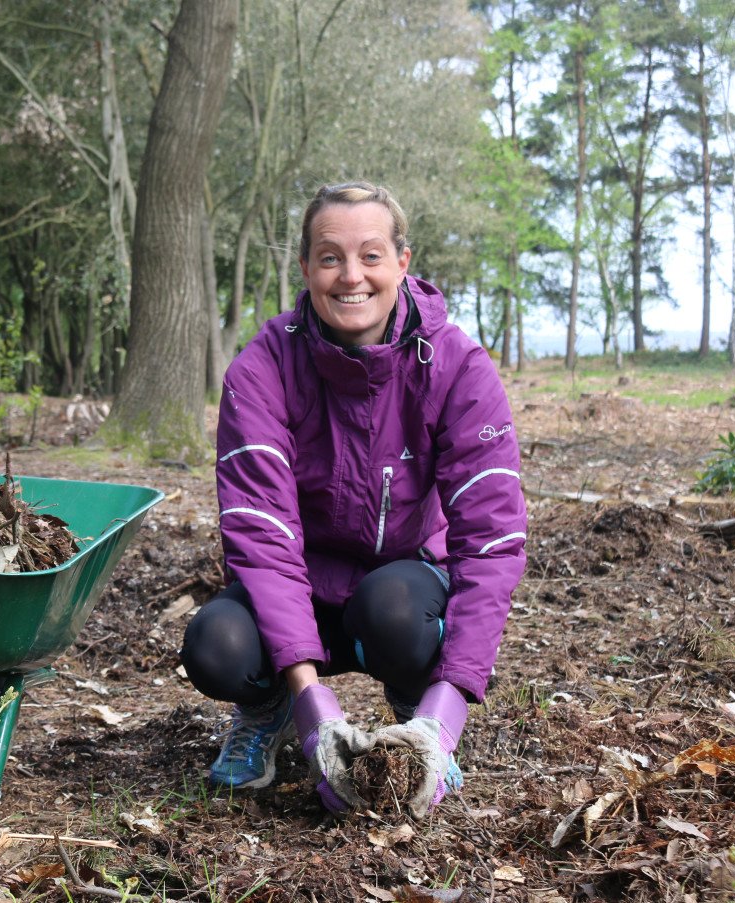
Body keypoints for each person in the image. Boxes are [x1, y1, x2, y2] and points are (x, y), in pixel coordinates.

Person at [180, 181, 527, 817]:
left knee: (396, 610)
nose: (351, 276)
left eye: (371, 255)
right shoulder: (261, 369)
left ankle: (414, 715)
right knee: (216, 645)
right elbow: (263, 536)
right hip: (296, 584)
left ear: (402, 261)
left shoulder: (457, 365)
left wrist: (447, 712)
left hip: (397, 588)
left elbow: (493, 537)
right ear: (307, 267)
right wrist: (316, 711)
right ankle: (266, 710)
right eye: (330, 256)